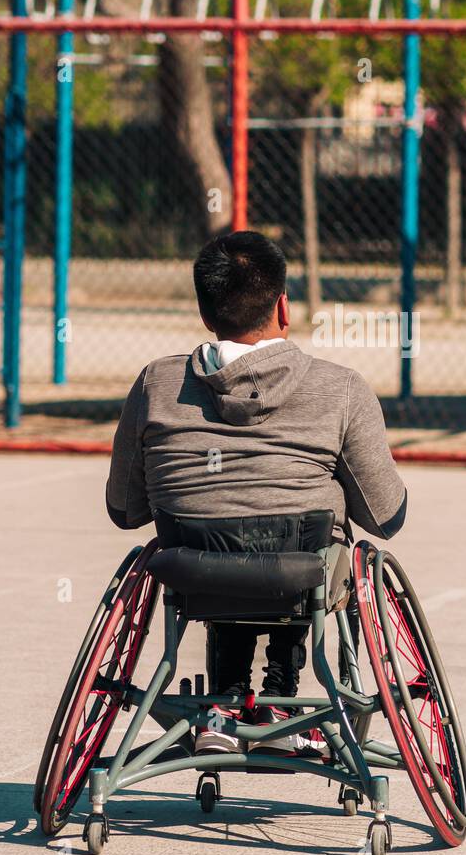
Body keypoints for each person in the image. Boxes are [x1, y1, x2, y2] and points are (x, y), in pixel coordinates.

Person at [106, 229, 407, 756]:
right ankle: (279, 699)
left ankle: (223, 701)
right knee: (309, 536)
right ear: (283, 307)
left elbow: (124, 510)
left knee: (221, 533)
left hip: (192, 574)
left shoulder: (157, 382)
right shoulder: (340, 388)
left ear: (206, 314)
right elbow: (386, 517)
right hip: (299, 575)